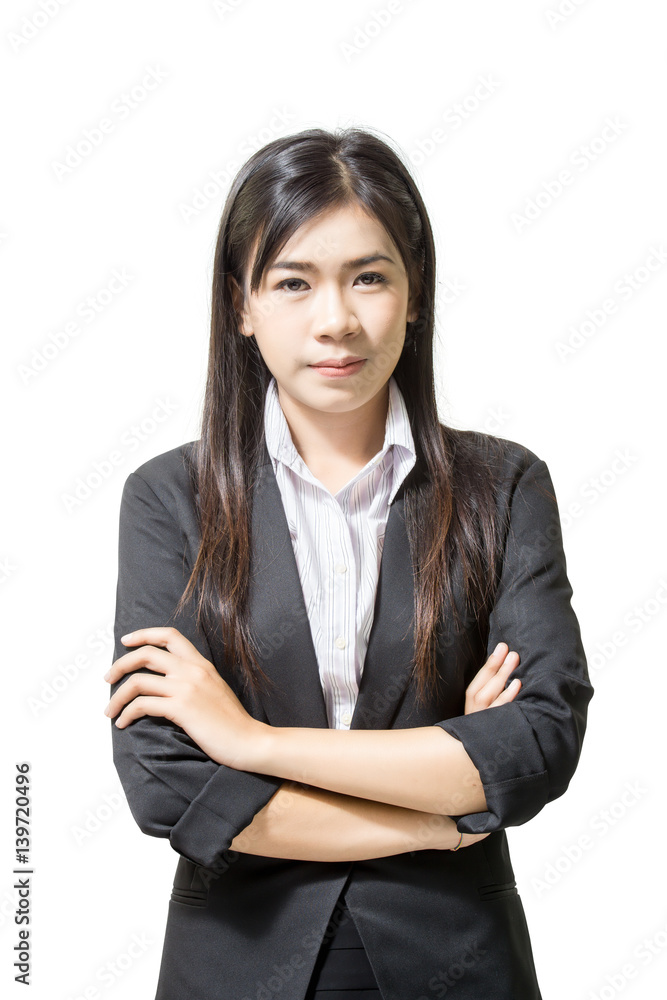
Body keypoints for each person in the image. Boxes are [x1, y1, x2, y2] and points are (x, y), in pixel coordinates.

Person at [104, 126, 594, 1000]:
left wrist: (250, 742)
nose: (335, 319)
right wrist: (444, 813)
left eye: (369, 276)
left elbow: (535, 743)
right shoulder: (168, 500)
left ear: (414, 296)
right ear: (241, 306)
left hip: (457, 966)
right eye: (292, 282)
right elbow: (167, 786)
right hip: (236, 965)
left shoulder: (502, 487)